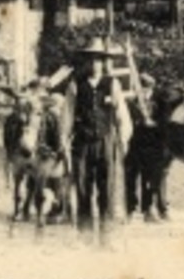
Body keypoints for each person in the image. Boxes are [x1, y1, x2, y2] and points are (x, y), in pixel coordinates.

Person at [67, 38, 128, 234]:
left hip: (106, 141)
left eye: (98, 60)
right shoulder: (75, 85)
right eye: (91, 60)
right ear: (85, 62)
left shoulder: (112, 84)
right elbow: (67, 115)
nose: (94, 64)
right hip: (82, 143)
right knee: (83, 186)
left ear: (103, 62)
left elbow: (122, 115)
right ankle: (84, 234)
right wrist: (63, 140)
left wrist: (124, 139)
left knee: (106, 186)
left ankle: (106, 234)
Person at [123, 73, 170, 222]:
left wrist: (154, 125)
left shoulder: (160, 102)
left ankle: (148, 209)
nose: (142, 91)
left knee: (149, 178)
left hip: (153, 145)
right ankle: (130, 208)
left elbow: (165, 123)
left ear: (151, 88)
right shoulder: (131, 102)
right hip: (134, 144)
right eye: (140, 88)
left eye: (146, 88)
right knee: (130, 177)